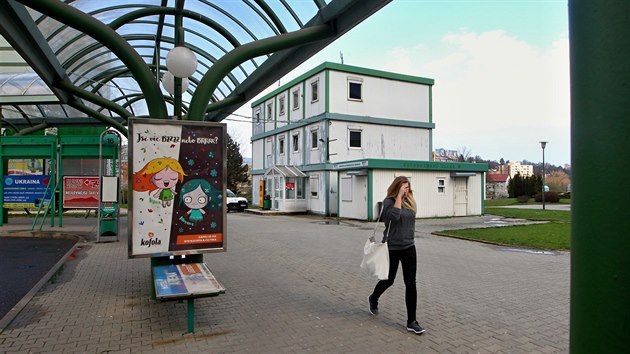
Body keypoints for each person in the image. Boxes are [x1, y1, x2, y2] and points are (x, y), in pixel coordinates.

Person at [367, 176, 425, 335]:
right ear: (397, 188)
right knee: (389, 280)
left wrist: (404, 197)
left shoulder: (410, 201)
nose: (407, 191)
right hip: (392, 247)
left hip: (409, 247)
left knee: (411, 283)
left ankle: (411, 321)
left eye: (408, 188)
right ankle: (373, 298)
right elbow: (392, 218)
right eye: (403, 188)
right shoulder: (389, 201)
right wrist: (398, 197)